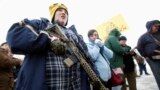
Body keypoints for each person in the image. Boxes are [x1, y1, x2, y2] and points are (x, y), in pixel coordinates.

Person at [7, 3, 90, 90]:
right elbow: (15, 36)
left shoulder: (75, 35)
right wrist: (47, 40)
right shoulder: (41, 25)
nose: (64, 13)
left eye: (66, 12)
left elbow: (87, 59)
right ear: (53, 14)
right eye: (59, 10)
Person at [137, 20, 160, 89]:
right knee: (158, 75)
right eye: (155, 26)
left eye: (158, 26)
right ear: (150, 27)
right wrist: (145, 56)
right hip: (153, 60)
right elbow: (139, 47)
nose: (157, 27)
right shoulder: (143, 37)